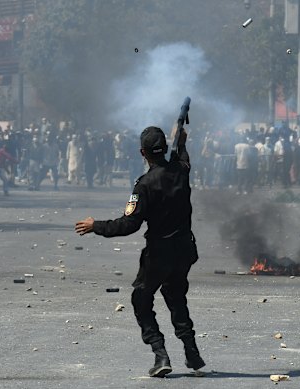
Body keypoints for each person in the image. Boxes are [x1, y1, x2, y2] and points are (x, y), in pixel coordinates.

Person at [75, 126, 205, 378]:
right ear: (164, 149)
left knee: (141, 300)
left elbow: (128, 224)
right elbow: (181, 155)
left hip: (159, 254)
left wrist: (96, 226)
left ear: (141, 152)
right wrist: (181, 139)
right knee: (176, 298)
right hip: (184, 251)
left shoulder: (144, 185)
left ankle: (160, 353)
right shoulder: (181, 172)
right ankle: (192, 352)